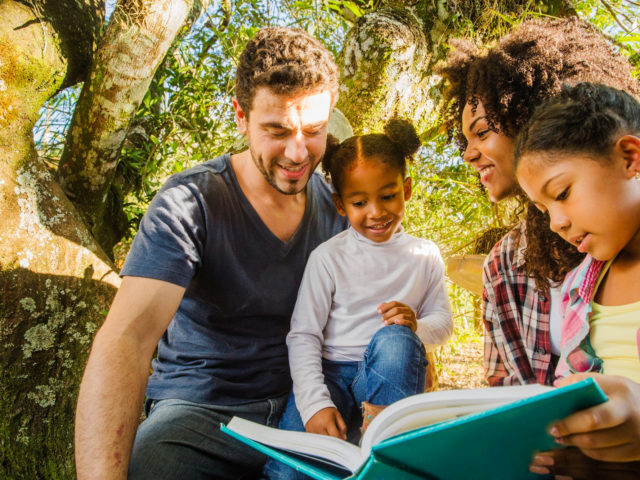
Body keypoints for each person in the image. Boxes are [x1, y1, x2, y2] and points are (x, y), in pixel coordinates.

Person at [74, 27, 349, 480]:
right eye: (276, 130)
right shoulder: (190, 202)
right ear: (241, 116)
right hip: (202, 413)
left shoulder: (340, 208)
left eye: (314, 130)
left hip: (306, 407)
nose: (298, 152)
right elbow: (128, 338)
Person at [437, 17, 640, 387]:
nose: (468, 154)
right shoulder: (505, 266)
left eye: (482, 132)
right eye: (546, 208)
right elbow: (509, 390)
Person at [264, 118, 452, 480]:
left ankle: (384, 446)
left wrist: (415, 325)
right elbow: (304, 335)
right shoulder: (328, 258)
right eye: (359, 201)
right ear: (339, 204)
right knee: (289, 472)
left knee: (396, 339)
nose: (376, 212)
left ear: (406, 189)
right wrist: (316, 404)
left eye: (387, 196)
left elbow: (442, 325)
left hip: (387, 373)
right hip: (331, 375)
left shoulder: (425, 254)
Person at [514, 82, 640, 475]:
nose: (557, 222)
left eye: (563, 193)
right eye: (543, 208)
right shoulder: (577, 288)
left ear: (631, 158)